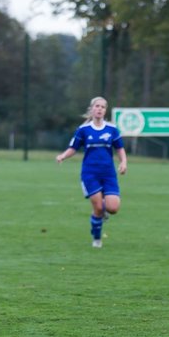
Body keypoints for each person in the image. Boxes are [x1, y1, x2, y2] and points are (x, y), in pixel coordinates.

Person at [56, 96, 127, 248]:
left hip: (108, 174)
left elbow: (120, 148)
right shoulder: (83, 130)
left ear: (105, 110)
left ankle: (104, 206)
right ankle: (96, 238)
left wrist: (123, 162)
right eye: (97, 106)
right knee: (99, 209)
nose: (99, 109)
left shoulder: (112, 129)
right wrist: (63, 155)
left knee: (113, 208)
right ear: (92, 109)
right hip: (90, 174)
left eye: (102, 107)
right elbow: (73, 148)